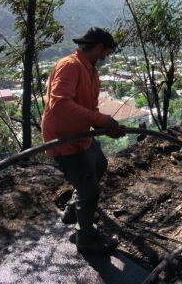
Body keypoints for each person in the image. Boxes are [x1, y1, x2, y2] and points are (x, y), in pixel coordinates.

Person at [42, 27, 125, 254]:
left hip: (82, 136)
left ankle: (73, 210)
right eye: (106, 52)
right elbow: (59, 105)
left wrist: (104, 126)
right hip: (64, 140)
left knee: (99, 164)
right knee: (90, 192)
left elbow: (88, 108)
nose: (105, 57)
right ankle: (87, 239)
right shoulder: (70, 66)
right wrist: (100, 119)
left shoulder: (90, 71)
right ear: (98, 48)